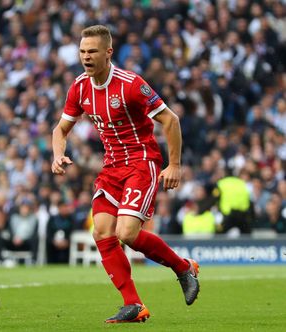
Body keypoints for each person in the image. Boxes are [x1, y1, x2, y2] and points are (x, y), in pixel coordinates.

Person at [51, 25, 200, 323]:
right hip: (111, 167)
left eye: (92, 51)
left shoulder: (130, 84)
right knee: (102, 231)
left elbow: (170, 120)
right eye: (82, 51)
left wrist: (174, 165)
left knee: (127, 234)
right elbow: (61, 129)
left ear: (108, 53)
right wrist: (57, 153)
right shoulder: (79, 87)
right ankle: (133, 304)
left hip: (141, 161)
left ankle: (182, 267)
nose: (86, 57)